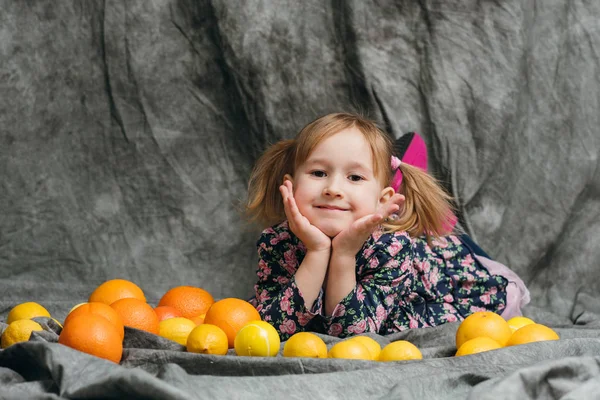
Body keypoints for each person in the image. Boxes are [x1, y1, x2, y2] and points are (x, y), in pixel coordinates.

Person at [246, 112, 529, 340]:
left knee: (438, 238)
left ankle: (404, 198)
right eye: (318, 173)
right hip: (377, 214)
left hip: (440, 271)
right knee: (374, 209)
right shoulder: (276, 241)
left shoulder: (392, 249)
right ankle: (389, 188)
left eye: (354, 177)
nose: (333, 188)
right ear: (291, 186)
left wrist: (343, 255)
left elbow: (351, 332)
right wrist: (318, 250)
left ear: (382, 197)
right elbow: (272, 328)